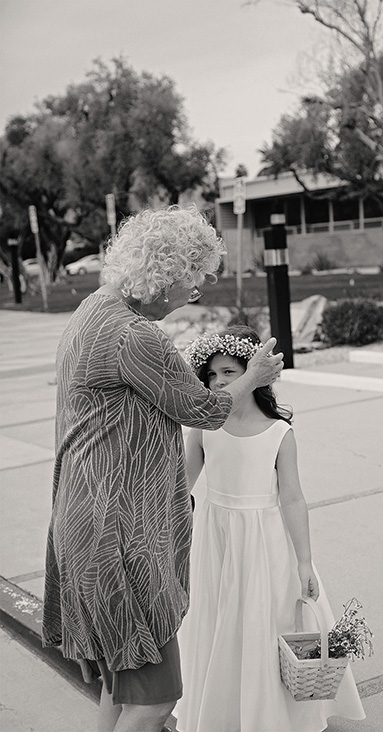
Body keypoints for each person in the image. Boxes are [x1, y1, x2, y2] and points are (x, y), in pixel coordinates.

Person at [42, 207, 284, 732]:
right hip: (120, 538)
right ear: (166, 274)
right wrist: (256, 374)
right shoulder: (136, 336)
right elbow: (205, 410)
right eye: (192, 282)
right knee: (153, 703)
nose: (192, 295)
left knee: (119, 686)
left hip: (84, 523)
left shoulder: (91, 310)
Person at [175, 327, 365, 731]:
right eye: (211, 376)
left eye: (228, 371)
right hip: (216, 538)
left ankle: (271, 716)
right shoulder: (206, 426)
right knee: (219, 622)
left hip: (264, 541)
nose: (219, 382)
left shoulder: (280, 433)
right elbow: (180, 485)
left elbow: (293, 498)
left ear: (255, 373)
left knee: (267, 625)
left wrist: (305, 562)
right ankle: (222, 712)